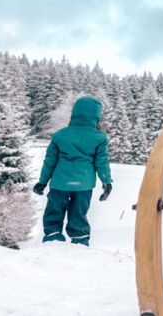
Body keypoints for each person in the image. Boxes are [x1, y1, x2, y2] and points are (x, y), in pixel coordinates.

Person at [32, 96, 113, 246]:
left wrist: (42, 182)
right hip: (84, 185)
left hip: (59, 183)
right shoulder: (100, 137)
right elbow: (102, 162)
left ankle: (52, 238)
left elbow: (50, 161)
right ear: (96, 116)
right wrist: (106, 182)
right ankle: (80, 241)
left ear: (75, 113)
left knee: (54, 212)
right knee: (79, 214)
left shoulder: (60, 135)